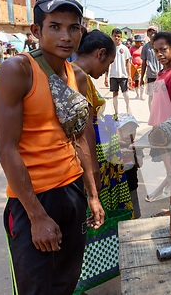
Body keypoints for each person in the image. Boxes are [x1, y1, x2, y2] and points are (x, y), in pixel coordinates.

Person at [0, 0, 104, 295]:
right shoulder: (18, 71)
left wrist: (92, 195)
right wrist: (37, 217)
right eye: (54, 26)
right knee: (36, 289)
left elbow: (81, 139)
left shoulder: (78, 77)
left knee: (65, 283)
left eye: (73, 27)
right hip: (32, 198)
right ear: (36, 30)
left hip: (71, 192)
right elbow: (6, 148)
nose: (65, 36)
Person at [73, 29, 133, 212]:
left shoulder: (70, 73)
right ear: (100, 54)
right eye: (110, 63)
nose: (108, 69)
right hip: (91, 154)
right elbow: (86, 128)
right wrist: (93, 169)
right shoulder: (79, 77)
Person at [148, 32, 171, 208]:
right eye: (156, 51)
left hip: (168, 130)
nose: (159, 54)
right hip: (159, 128)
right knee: (169, 167)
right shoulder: (162, 72)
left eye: (163, 50)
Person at [116, 113, 143, 219]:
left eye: (132, 130)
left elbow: (139, 164)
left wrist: (133, 157)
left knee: (133, 208)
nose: (129, 133)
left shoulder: (136, 146)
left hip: (131, 185)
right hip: (117, 186)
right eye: (124, 130)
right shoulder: (112, 146)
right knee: (119, 211)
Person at [105, 28, 132, 114]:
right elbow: (107, 64)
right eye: (115, 36)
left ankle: (128, 108)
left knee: (125, 93)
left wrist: (129, 75)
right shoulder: (109, 49)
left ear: (120, 37)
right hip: (113, 75)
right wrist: (106, 77)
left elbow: (128, 62)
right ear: (112, 36)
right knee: (115, 94)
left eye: (118, 36)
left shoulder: (124, 48)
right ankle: (116, 112)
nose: (116, 38)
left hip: (123, 75)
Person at [141, 26, 162, 110]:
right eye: (149, 32)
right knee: (151, 97)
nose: (152, 33)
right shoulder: (145, 47)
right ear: (147, 34)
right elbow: (143, 63)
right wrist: (142, 78)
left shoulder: (161, 45)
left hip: (161, 74)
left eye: (153, 31)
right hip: (150, 75)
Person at [130, 35, 144, 100]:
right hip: (134, 66)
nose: (137, 43)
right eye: (136, 42)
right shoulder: (132, 48)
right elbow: (129, 56)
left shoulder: (143, 48)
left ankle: (141, 95)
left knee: (142, 80)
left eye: (138, 41)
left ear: (140, 42)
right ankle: (137, 94)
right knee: (136, 80)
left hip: (142, 67)